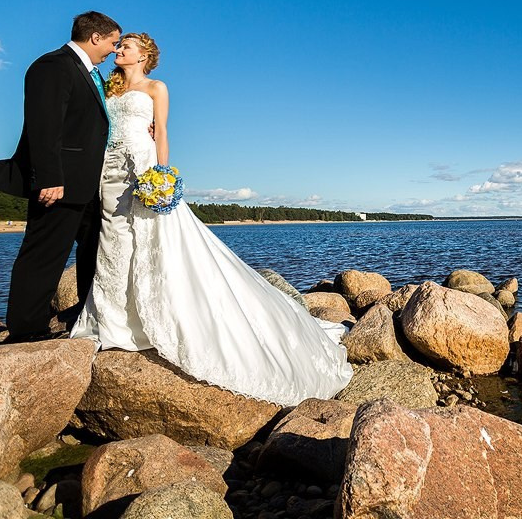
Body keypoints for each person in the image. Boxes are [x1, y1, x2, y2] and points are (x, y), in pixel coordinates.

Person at [70, 33, 352, 405]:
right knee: (114, 241)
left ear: (144, 54)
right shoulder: (110, 86)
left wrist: (161, 175)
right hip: (110, 172)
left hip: (143, 166)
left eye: (127, 46)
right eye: (118, 45)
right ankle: (114, 321)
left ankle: (158, 318)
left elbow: (162, 132)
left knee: (157, 240)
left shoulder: (157, 87)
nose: (119, 49)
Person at [0, 11, 121, 342]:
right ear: (95, 38)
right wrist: (50, 177)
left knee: (93, 254)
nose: (114, 50)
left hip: (90, 186)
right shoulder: (53, 66)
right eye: (113, 42)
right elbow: (44, 126)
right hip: (59, 184)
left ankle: (86, 316)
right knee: (44, 254)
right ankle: (26, 330)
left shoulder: (92, 75)